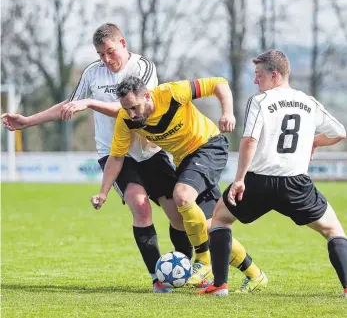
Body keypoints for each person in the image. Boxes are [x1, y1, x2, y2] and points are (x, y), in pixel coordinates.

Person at [1, 23, 192, 293]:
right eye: (101, 54)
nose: (106, 59)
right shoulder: (92, 73)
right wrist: (28, 121)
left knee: (178, 217)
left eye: (110, 52)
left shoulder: (143, 67)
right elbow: (69, 105)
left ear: (123, 44)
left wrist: (90, 103)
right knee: (140, 206)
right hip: (115, 155)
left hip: (151, 151)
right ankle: (158, 278)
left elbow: (130, 109)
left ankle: (186, 268)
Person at [90, 75, 268, 291]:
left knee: (182, 196)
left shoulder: (171, 93)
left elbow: (218, 83)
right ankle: (255, 274)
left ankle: (202, 263)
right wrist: (104, 192)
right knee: (211, 226)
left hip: (209, 147)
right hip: (185, 161)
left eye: (135, 107)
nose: (132, 114)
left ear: (147, 95)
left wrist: (228, 112)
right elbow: (116, 157)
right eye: (127, 109)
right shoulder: (126, 120)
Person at [200, 49, 347, 297]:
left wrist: (239, 179)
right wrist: (314, 142)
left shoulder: (260, 101)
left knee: (220, 220)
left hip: (258, 181)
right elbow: (340, 133)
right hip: (296, 184)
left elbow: (249, 140)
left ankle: (219, 285)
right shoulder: (308, 102)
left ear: (275, 75)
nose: (256, 81)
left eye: (259, 75)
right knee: (333, 231)